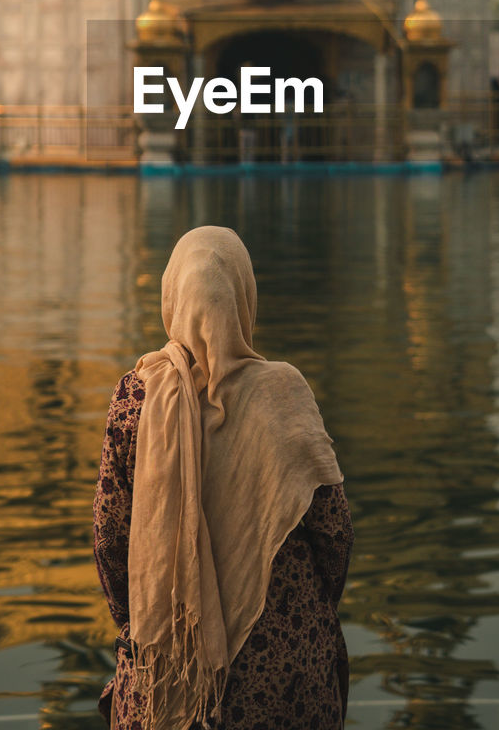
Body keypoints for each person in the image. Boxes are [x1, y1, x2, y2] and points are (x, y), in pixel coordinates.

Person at [93, 226, 353, 730]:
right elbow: (335, 534)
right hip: (287, 666)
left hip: (171, 666)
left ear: (172, 295)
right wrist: (311, 611)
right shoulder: (286, 394)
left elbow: (110, 539)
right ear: (244, 297)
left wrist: (148, 629)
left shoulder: (136, 396)